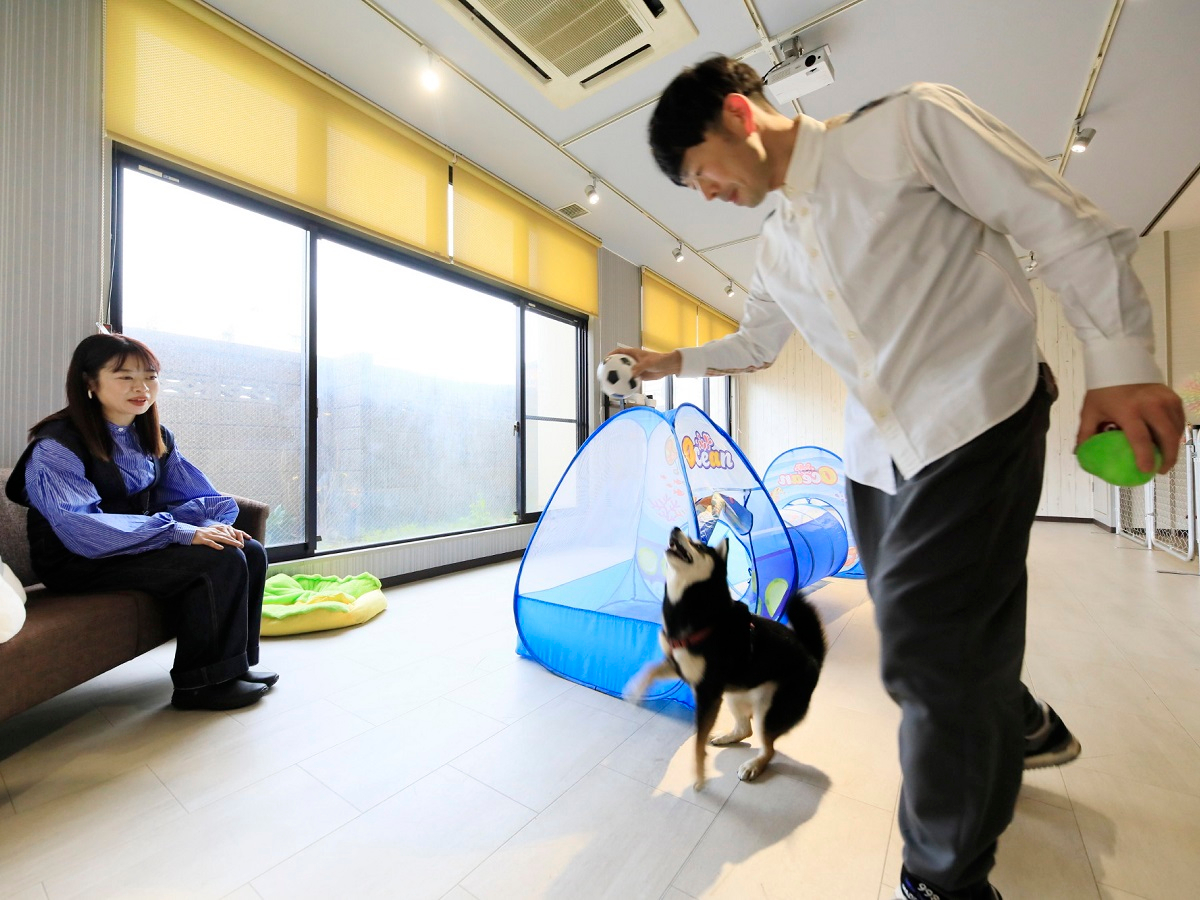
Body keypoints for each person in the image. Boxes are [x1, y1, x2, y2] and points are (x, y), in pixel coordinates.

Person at [620, 57, 1185, 900]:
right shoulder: (774, 245)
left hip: (978, 411)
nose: (703, 194)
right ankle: (1018, 722)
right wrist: (673, 359)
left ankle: (942, 879)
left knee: (924, 658)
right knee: (948, 645)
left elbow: (1057, 219)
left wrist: (1119, 358)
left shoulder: (905, 129)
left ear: (739, 115)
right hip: (876, 460)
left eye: (700, 172)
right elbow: (760, 344)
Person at [5, 333, 278, 711]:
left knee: (247, 549)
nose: (141, 388)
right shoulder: (56, 445)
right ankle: (199, 686)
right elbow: (82, 529)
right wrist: (178, 531)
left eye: (149, 377)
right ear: (90, 382)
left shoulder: (152, 435)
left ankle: (234, 668)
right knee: (217, 559)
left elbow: (195, 494)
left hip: (131, 544)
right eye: (124, 376)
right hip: (78, 559)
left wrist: (212, 522)